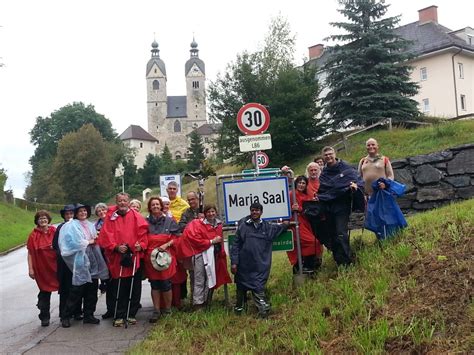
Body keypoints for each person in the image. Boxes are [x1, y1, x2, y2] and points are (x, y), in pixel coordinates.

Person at [97, 192, 148, 327]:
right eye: (120, 201)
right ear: (116, 202)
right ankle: (119, 314)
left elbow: (143, 235)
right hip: (117, 258)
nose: (122, 203)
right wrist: (115, 247)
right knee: (118, 288)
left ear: (128, 201)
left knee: (134, 287)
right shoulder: (110, 218)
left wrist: (139, 246)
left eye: (125, 201)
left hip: (133, 256)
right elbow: (105, 235)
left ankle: (131, 313)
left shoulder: (137, 217)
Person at [230, 203, 289, 318]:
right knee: (241, 288)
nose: (254, 212)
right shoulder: (243, 226)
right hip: (243, 265)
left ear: (261, 212)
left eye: (257, 210)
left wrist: (286, 224)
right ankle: (239, 310)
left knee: (258, 288)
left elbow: (280, 227)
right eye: (252, 210)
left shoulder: (267, 227)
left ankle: (263, 312)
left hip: (260, 265)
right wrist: (234, 262)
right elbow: (235, 245)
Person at [311, 146, 365, 266]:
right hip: (328, 207)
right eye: (326, 155)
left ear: (334, 154)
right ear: (323, 157)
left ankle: (347, 261)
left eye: (330, 154)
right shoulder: (324, 173)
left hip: (342, 206)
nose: (328, 157)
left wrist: (355, 186)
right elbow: (323, 190)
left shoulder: (346, 167)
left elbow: (358, 180)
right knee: (333, 235)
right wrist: (319, 197)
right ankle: (339, 261)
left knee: (341, 233)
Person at [59, 204, 109, 328]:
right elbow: (72, 244)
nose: (83, 213)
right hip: (80, 262)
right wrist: (90, 241)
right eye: (80, 211)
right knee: (76, 291)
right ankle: (66, 316)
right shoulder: (70, 226)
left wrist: (95, 239)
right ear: (76, 213)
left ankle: (89, 315)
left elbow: (95, 238)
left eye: (85, 211)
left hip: (92, 261)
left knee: (92, 290)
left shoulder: (90, 225)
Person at [176, 204, 231, 309]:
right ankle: (198, 304)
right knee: (199, 279)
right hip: (200, 254)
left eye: (213, 211)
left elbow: (220, 242)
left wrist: (221, 253)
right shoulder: (197, 224)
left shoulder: (219, 225)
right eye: (208, 212)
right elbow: (193, 238)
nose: (211, 214)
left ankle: (206, 301)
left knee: (210, 277)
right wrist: (210, 241)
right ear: (205, 214)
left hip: (213, 255)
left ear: (216, 212)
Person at [144, 196, 180, 323]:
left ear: (161, 206)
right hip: (151, 258)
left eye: (157, 204)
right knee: (154, 285)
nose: (155, 207)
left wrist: (167, 244)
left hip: (165, 257)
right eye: (153, 205)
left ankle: (168, 310)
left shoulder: (170, 221)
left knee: (166, 283)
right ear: (150, 207)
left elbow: (177, 237)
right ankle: (156, 311)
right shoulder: (145, 222)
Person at [27, 210, 59, 327]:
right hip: (41, 268)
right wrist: (30, 269)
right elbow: (30, 253)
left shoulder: (54, 231)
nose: (43, 220)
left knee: (64, 289)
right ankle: (44, 316)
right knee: (45, 291)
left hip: (56, 266)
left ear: (48, 219)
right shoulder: (33, 235)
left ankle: (67, 314)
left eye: (45, 218)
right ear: (37, 221)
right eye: (40, 218)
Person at [52, 204, 83, 322]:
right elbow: (56, 245)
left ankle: (77, 312)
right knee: (65, 288)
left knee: (77, 286)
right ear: (63, 216)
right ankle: (64, 314)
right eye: (67, 214)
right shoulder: (60, 228)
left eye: (71, 213)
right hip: (64, 262)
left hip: (77, 261)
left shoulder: (77, 226)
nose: (69, 216)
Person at [288, 176, 323, 275]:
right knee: (312, 242)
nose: (301, 185)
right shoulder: (292, 194)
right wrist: (293, 209)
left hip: (306, 223)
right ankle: (306, 266)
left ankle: (307, 267)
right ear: (296, 183)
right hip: (295, 224)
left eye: (303, 183)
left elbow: (310, 211)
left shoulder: (307, 196)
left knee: (314, 244)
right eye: (299, 183)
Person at [94, 202, 113, 317]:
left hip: (112, 254)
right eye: (99, 211)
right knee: (107, 283)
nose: (102, 212)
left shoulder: (113, 222)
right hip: (101, 256)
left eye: (103, 210)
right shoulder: (95, 225)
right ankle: (110, 309)